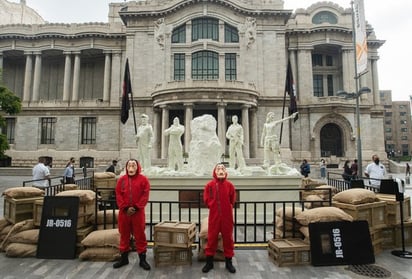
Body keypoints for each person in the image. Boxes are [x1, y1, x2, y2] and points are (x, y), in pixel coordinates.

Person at [113, 159, 151, 270]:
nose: (131, 167)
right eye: (129, 165)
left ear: (137, 167)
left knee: (140, 235)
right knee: (124, 235)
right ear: (126, 167)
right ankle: (124, 258)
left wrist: (136, 207)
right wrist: (124, 208)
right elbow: (118, 194)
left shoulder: (143, 180)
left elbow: (145, 195)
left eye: (133, 165)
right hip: (124, 213)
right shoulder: (121, 180)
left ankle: (142, 260)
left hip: (138, 213)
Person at [202, 163, 236, 274]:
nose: (221, 170)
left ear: (225, 172)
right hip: (214, 216)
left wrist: (227, 208)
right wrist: (212, 205)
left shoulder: (230, 185)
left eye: (223, 168)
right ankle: (209, 262)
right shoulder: (209, 185)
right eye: (218, 168)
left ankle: (229, 262)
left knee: (228, 239)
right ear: (215, 171)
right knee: (212, 238)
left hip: (227, 216)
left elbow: (232, 199)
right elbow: (206, 199)